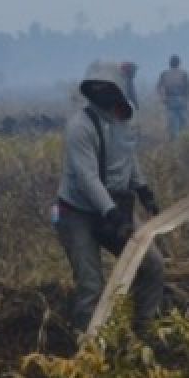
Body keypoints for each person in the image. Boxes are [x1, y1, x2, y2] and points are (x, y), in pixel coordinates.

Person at [54, 60, 164, 333]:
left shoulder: (125, 118)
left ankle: (144, 332)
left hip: (115, 206)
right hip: (77, 213)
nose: (102, 92)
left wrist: (143, 190)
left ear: (119, 90)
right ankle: (88, 348)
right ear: (89, 90)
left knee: (152, 264)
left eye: (108, 87)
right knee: (91, 285)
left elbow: (128, 156)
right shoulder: (80, 127)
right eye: (97, 87)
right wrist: (113, 214)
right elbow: (87, 179)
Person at [156, 55, 189, 139]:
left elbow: (158, 87)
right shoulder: (184, 73)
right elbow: (188, 89)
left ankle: (175, 140)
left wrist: (163, 98)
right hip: (181, 100)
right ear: (179, 63)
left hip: (170, 101)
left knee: (172, 122)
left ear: (170, 63)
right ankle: (184, 140)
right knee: (184, 122)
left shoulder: (164, 74)